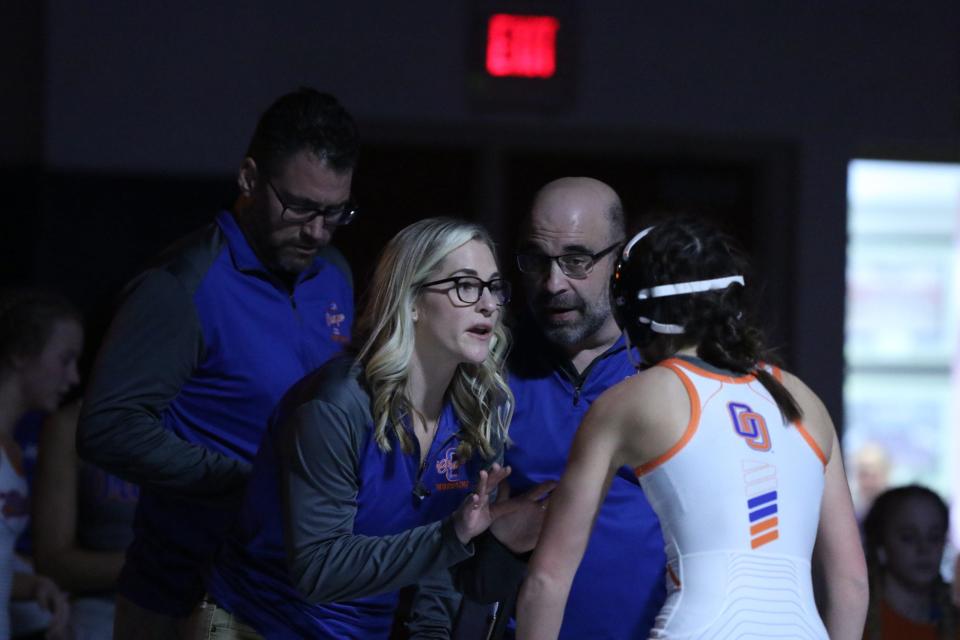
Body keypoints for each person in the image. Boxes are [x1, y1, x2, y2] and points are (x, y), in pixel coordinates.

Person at [77, 88, 359, 637]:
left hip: (295, 595)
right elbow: (107, 429)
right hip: (182, 593)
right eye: (300, 207)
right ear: (249, 179)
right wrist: (245, 481)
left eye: (335, 212)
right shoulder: (182, 285)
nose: (317, 231)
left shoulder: (334, 274)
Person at [516, 216, 870, 639]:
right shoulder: (803, 401)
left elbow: (547, 579)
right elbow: (851, 585)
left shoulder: (632, 401)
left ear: (634, 309)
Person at [195, 217, 532, 638]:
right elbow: (318, 572)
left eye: (493, 287)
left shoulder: (477, 415)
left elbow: (439, 570)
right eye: (465, 286)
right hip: (258, 623)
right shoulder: (335, 406)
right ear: (410, 301)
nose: (488, 304)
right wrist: (453, 533)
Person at [495, 177, 665, 638]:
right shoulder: (488, 368)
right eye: (536, 260)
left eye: (576, 260)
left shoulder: (666, 370)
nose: (553, 284)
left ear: (619, 260)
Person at [0, 289, 78, 639]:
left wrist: (29, 585)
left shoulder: (11, 449)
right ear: (19, 353)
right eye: (65, 359)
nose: (74, 377)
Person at [34, 398, 139, 639]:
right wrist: (153, 563)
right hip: (100, 611)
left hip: (187, 611)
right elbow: (52, 561)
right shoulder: (72, 425)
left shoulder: (201, 418)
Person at [862, 485, 958, 638]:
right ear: (881, 542)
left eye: (934, 537)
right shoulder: (855, 619)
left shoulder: (953, 617)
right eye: (908, 537)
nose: (924, 549)